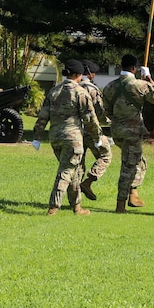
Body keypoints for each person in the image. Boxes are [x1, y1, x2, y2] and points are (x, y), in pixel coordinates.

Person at [32, 59, 101, 216]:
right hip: (72, 139)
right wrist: (98, 137)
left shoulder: (54, 91)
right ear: (78, 75)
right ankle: (53, 207)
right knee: (66, 171)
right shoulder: (80, 92)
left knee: (74, 172)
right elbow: (90, 118)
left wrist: (37, 136)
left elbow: (43, 116)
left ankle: (77, 207)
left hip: (55, 138)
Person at [101, 53, 154, 213]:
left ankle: (133, 193)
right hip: (132, 132)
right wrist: (148, 78)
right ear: (134, 68)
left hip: (117, 131)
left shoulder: (110, 86)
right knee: (129, 166)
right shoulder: (139, 85)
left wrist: (117, 121)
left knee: (139, 162)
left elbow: (106, 110)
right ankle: (121, 204)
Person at [78, 59, 112, 201]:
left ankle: (75, 200)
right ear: (90, 73)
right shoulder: (91, 89)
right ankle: (88, 182)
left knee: (78, 165)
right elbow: (99, 112)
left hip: (75, 131)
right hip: (91, 130)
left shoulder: (73, 86)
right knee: (106, 155)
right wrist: (109, 122)